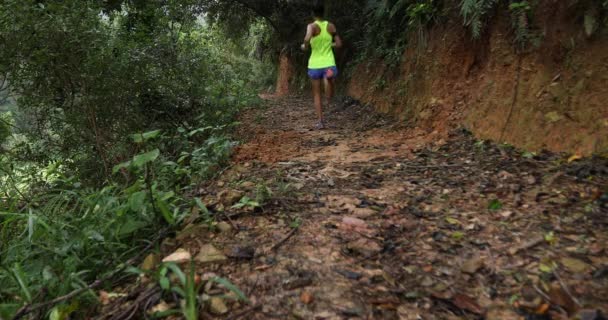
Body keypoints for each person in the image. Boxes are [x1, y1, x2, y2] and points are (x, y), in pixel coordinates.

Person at [301, 2, 342, 130]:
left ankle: (320, 121)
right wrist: (331, 45)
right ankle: (328, 82)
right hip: (329, 62)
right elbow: (339, 44)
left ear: (313, 14)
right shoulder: (330, 26)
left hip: (315, 64)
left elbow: (307, 38)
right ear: (324, 13)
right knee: (329, 84)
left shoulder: (311, 26)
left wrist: (305, 46)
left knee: (317, 94)